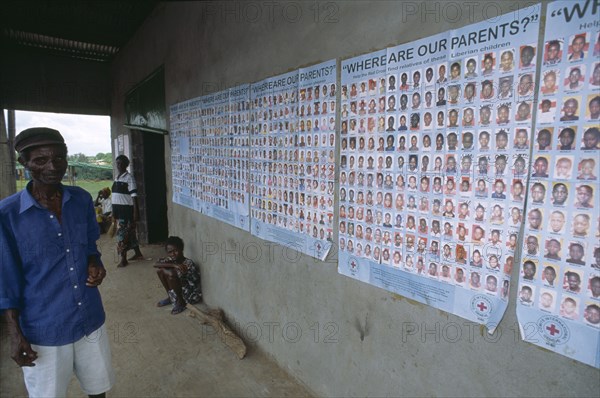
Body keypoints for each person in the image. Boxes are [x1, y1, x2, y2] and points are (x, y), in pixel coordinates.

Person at [0, 127, 114, 396]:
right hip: (44, 328)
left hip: (89, 317)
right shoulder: (8, 215)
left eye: (59, 158)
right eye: (40, 160)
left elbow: (89, 247)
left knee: (98, 390)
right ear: (24, 163)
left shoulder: (82, 200)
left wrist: (95, 263)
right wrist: (14, 333)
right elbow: (6, 279)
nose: (53, 167)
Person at [154, 236, 202, 314]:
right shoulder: (172, 260)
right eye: (170, 252)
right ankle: (171, 297)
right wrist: (173, 265)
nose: (173, 254)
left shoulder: (188, 263)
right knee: (160, 271)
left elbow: (172, 274)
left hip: (191, 295)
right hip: (181, 290)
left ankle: (181, 302)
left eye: (176, 250)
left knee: (169, 273)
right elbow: (155, 264)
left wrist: (166, 268)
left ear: (181, 249)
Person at [112, 155, 144, 267]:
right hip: (118, 211)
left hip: (126, 211)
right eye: (117, 163)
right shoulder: (117, 177)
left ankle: (123, 259)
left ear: (126, 165)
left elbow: (134, 196)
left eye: (121, 163)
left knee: (122, 236)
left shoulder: (129, 178)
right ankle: (138, 254)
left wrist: (136, 212)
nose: (118, 165)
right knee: (130, 234)